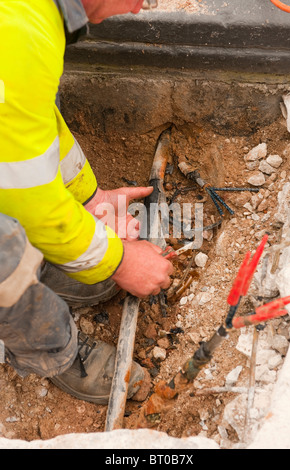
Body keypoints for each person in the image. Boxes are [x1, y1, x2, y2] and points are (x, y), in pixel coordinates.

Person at [0, 0, 173, 404]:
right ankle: (53, 353)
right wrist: (118, 261)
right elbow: (31, 201)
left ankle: (40, 267)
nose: (138, 9)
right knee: (3, 250)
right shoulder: (18, 36)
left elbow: (32, 129)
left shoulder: (31, 19)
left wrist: (90, 197)